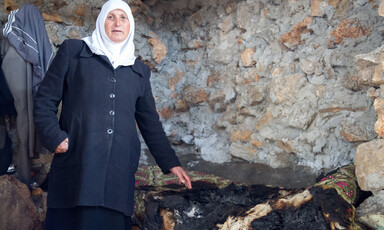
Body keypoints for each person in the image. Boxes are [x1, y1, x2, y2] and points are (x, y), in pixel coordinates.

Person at [33, 0, 192, 229]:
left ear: (130, 25)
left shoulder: (139, 72)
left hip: (117, 174)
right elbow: (44, 99)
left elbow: (150, 124)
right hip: (78, 165)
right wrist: (53, 137)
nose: (117, 23)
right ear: (101, 21)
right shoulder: (74, 52)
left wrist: (171, 163)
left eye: (123, 18)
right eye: (111, 17)